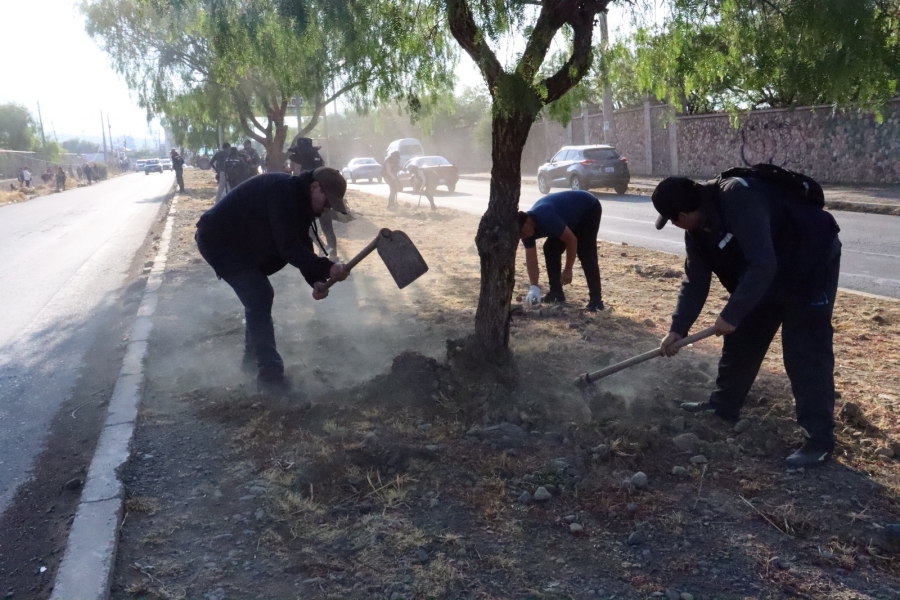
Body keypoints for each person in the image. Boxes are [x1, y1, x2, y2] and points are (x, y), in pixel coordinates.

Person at [651, 174, 841, 468]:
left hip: (808, 260)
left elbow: (763, 263)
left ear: (683, 215)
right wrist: (678, 328)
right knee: (743, 335)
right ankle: (724, 406)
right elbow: (695, 280)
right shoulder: (696, 231)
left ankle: (819, 440)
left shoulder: (738, 198)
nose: (676, 226)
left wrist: (731, 313)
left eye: (673, 221)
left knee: (805, 348)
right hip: (766, 271)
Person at [195, 167, 351, 394]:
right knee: (259, 295)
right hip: (220, 240)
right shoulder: (284, 192)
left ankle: (251, 366)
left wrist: (316, 279)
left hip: (244, 245)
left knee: (258, 297)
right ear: (315, 187)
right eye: (328, 201)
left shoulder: (299, 199)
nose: (328, 208)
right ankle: (270, 378)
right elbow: (288, 246)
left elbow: (301, 242)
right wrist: (328, 267)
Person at [517, 190, 605, 312]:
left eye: (522, 233)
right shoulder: (525, 232)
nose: (523, 237)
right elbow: (531, 259)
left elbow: (572, 240)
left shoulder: (545, 217)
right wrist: (534, 287)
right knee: (550, 249)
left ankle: (596, 301)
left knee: (585, 252)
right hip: (567, 218)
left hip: (588, 208)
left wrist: (568, 269)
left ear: (528, 222)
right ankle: (556, 293)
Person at [288, 138, 338, 255]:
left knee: (308, 228)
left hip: (311, 200)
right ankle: (332, 253)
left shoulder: (301, 161)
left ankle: (325, 250)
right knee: (327, 228)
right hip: (324, 197)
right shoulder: (318, 159)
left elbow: (296, 175)